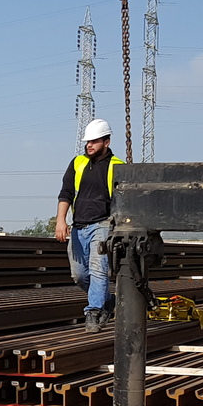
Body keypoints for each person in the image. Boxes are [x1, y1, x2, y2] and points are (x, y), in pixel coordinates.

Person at [54, 118, 125, 332]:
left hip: (102, 225)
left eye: (94, 141)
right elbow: (66, 193)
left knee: (98, 271)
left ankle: (93, 312)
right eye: (87, 142)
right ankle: (106, 300)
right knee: (79, 275)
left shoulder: (118, 167)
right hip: (78, 227)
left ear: (107, 142)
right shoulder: (77, 163)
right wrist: (61, 220)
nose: (89, 145)